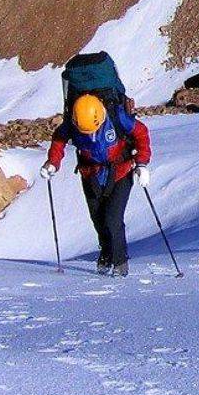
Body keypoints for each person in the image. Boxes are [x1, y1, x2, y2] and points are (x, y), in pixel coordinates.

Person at [41, 93, 151, 276]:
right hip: (90, 174)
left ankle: (120, 262)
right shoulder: (73, 123)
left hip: (120, 171)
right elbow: (59, 140)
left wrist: (141, 163)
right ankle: (106, 255)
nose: (91, 134)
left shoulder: (117, 117)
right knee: (98, 219)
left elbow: (141, 133)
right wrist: (52, 162)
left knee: (113, 219)